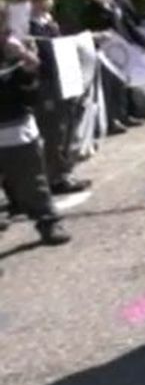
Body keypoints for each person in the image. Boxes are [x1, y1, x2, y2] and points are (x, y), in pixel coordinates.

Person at [13, 0, 89, 194]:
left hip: (62, 78)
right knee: (52, 130)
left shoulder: (48, 22)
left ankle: (64, 171)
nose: (45, 3)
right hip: (44, 83)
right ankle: (54, 176)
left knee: (67, 126)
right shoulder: (24, 26)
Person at [0, 30, 70, 245]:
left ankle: (48, 222)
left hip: (14, 130)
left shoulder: (13, 52)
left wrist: (29, 66)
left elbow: (30, 95)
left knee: (32, 183)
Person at [81, 0, 145, 133]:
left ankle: (127, 114)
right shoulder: (89, 12)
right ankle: (112, 119)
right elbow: (85, 33)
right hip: (104, 54)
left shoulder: (116, 6)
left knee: (125, 84)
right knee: (110, 88)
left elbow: (129, 27)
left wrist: (143, 43)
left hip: (124, 50)